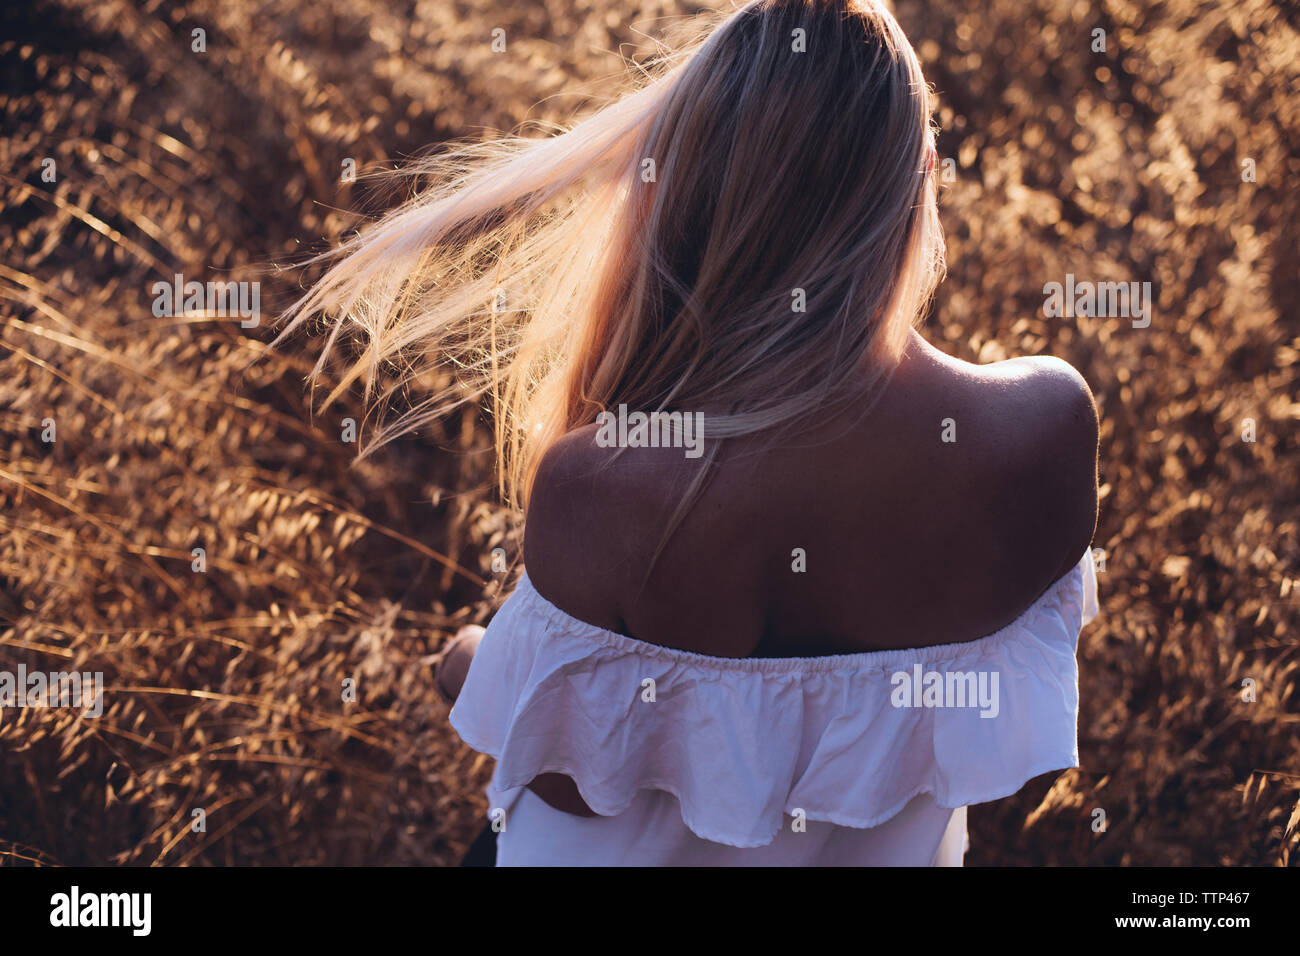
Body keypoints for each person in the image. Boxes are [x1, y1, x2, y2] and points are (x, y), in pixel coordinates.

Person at [285, 0, 1101, 865]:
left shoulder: (607, 487)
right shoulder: (1040, 430)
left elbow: (571, 787)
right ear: (923, 179)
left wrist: (473, 666)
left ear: (684, 195)